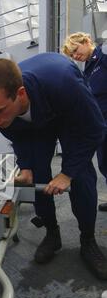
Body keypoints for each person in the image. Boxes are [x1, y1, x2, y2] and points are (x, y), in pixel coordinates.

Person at [0, 54, 107, 280]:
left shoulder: (65, 83)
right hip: (32, 122)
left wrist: (67, 174)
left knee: (81, 175)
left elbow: (95, 129)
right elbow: (18, 136)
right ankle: (52, 233)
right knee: (34, 177)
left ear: (20, 94)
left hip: (67, 112)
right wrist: (25, 167)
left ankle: (88, 240)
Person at [62, 32, 107, 211]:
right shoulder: (88, 66)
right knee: (104, 162)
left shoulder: (103, 56)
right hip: (101, 123)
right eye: (72, 55)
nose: (75, 56)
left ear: (86, 42)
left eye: (75, 50)